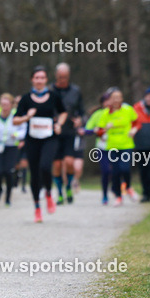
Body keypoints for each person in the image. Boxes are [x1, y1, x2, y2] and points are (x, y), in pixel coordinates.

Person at [13, 66, 67, 223]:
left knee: (45, 166)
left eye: (42, 78)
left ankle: (49, 194)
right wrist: (26, 117)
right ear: (32, 79)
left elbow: (63, 112)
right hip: (32, 140)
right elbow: (15, 120)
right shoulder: (26, 98)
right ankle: (37, 206)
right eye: (36, 77)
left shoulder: (53, 96)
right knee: (34, 173)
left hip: (49, 138)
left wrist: (59, 124)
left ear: (46, 80)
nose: (39, 80)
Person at [93, 88, 139, 206]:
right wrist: (104, 129)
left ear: (122, 99)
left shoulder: (128, 109)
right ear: (110, 100)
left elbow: (137, 122)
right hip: (111, 146)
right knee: (116, 172)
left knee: (125, 169)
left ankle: (128, 187)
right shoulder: (105, 113)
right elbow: (99, 131)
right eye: (114, 98)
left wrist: (134, 129)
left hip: (126, 144)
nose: (116, 100)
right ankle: (118, 196)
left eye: (118, 97)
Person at [0, 93, 26, 206]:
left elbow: (23, 130)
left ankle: (8, 196)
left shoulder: (16, 115)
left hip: (11, 146)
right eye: (2, 104)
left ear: (12, 105)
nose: (4, 107)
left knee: (8, 171)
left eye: (7, 104)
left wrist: (17, 135)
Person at [52, 63, 85, 204]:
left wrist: (80, 120)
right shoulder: (49, 91)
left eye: (65, 77)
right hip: (53, 133)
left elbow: (83, 113)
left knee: (69, 162)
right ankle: (59, 193)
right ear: (56, 76)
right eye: (60, 77)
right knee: (57, 165)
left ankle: (69, 187)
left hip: (70, 132)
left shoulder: (76, 91)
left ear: (69, 76)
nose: (62, 79)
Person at [81, 90, 113, 204]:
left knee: (117, 170)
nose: (108, 103)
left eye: (111, 100)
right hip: (102, 147)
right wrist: (94, 130)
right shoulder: (97, 114)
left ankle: (117, 190)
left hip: (118, 146)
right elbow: (86, 129)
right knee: (105, 170)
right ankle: (105, 194)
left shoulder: (119, 113)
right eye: (106, 101)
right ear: (102, 102)